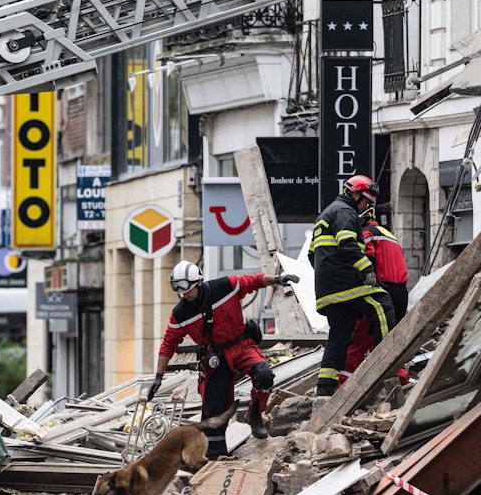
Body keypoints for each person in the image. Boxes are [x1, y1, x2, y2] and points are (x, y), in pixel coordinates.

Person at [147, 260, 300, 454]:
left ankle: (254, 414)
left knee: (264, 375)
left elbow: (253, 281)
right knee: (214, 410)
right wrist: (158, 377)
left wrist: (277, 279)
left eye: (188, 290)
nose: (184, 295)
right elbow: (168, 344)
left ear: (199, 282)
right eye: (180, 291)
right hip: (215, 357)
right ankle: (215, 456)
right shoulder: (180, 314)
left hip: (241, 345)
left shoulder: (225, 286)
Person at [309, 175, 396, 398]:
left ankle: (325, 389)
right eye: (366, 201)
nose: (367, 206)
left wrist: (327, 275)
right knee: (382, 303)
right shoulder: (345, 212)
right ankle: (390, 361)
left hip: (327, 289)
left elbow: (312, 255)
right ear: (355, 193)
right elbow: (348, 245)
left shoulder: (325, 214)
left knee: (339, 335)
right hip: (345, 282)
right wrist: (367, 270)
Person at [344, 205, 411, 385]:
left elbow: (367, 261)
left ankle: (344, 384)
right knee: (389, 339)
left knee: (360, 339)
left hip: (382, 290)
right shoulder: (390, 235)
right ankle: (400, 379)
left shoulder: (366, 234)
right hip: (401, 292)